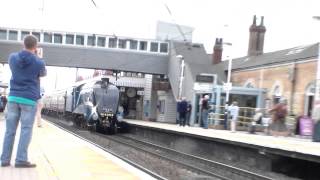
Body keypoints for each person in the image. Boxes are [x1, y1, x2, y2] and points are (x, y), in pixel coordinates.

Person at [1, 35, 46, 168]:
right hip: (29, 100)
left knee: (9, 131)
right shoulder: (39, 62)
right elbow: (43, 73)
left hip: (13, 98)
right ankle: (20, 160)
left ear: (23, 44)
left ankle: (4, 160)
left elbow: (16, 68)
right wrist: (39, 57)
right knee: (26, 130)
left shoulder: (12, 57)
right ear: (36, 47)